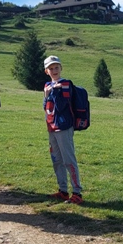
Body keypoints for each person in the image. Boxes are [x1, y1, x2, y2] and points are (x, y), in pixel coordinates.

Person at [43, 55, 83, 204]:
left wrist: (54, 92)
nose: (54, 70)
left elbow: (61, 106)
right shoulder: (48, 85)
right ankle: (63, 191)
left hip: (64, 126)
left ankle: (77, 192)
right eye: (51, 68)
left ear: (61, 68)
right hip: (52, 128)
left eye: (56, 67)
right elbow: (45, 108)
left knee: (68, 160)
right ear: (46, 71)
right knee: (57, 160)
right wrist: (48, 95)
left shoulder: (65, 84)